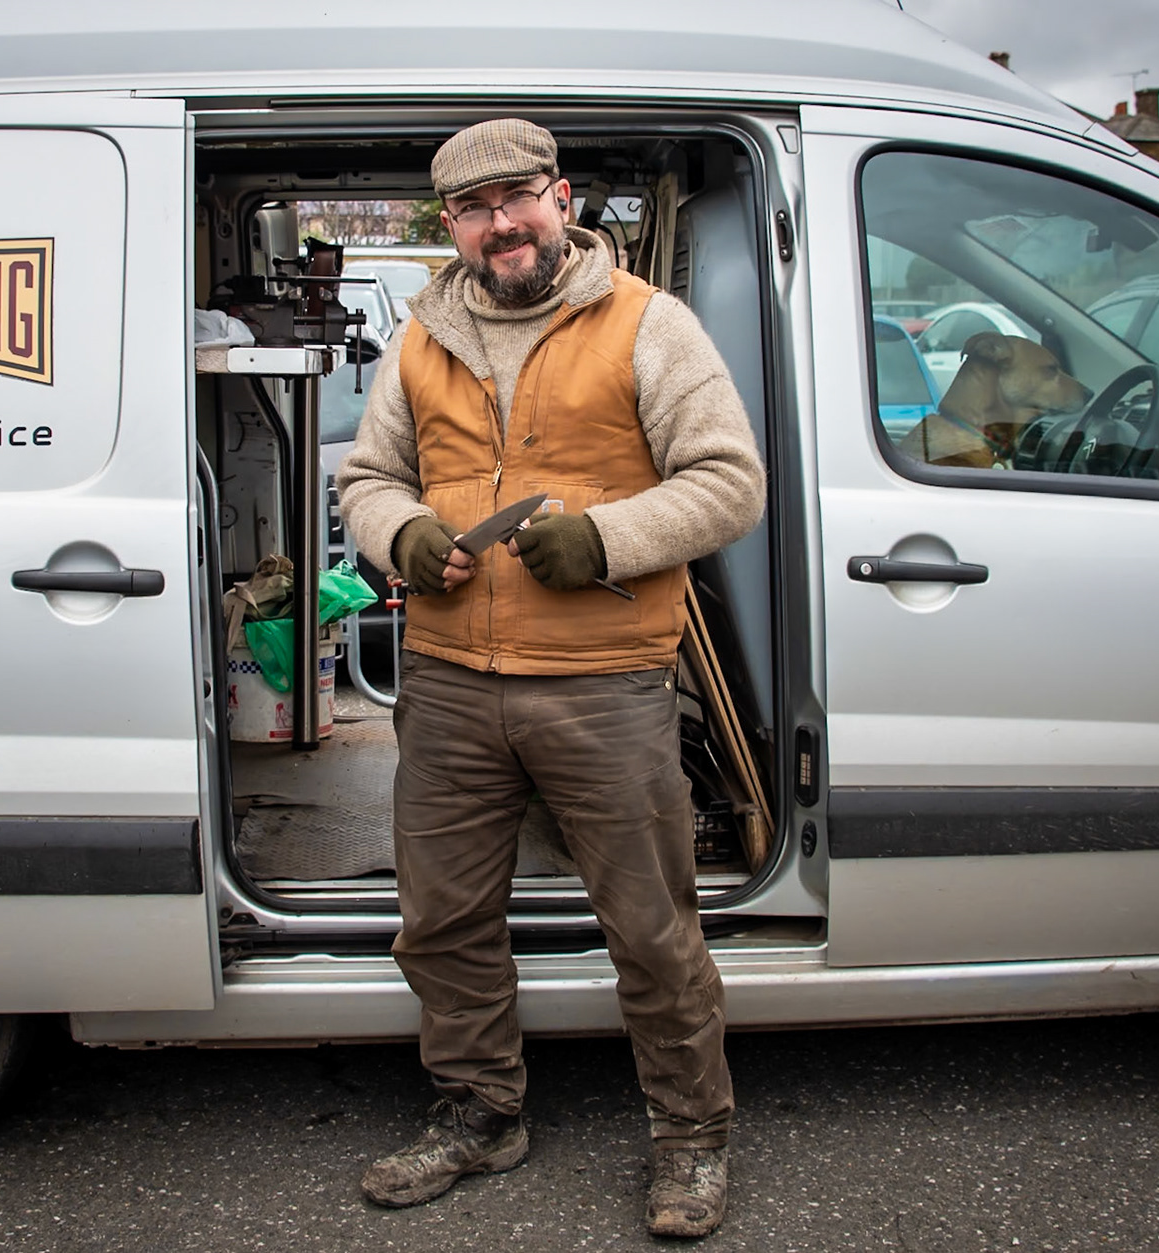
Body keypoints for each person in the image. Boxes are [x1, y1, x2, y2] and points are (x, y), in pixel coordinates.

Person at [335, 118, 765, 1239]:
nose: (501, 224)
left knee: (653, 927)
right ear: (453, 227)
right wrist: (406, 537)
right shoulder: (421, 341)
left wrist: (610, 538)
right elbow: (368, 477)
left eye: (519, 197)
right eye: (474, 211)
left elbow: (730, 481)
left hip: (603, 681)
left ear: (561, 197)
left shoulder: (645, 324)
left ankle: (691, 1136)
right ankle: (480, 1113)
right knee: (441, 920)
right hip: (447, 680)